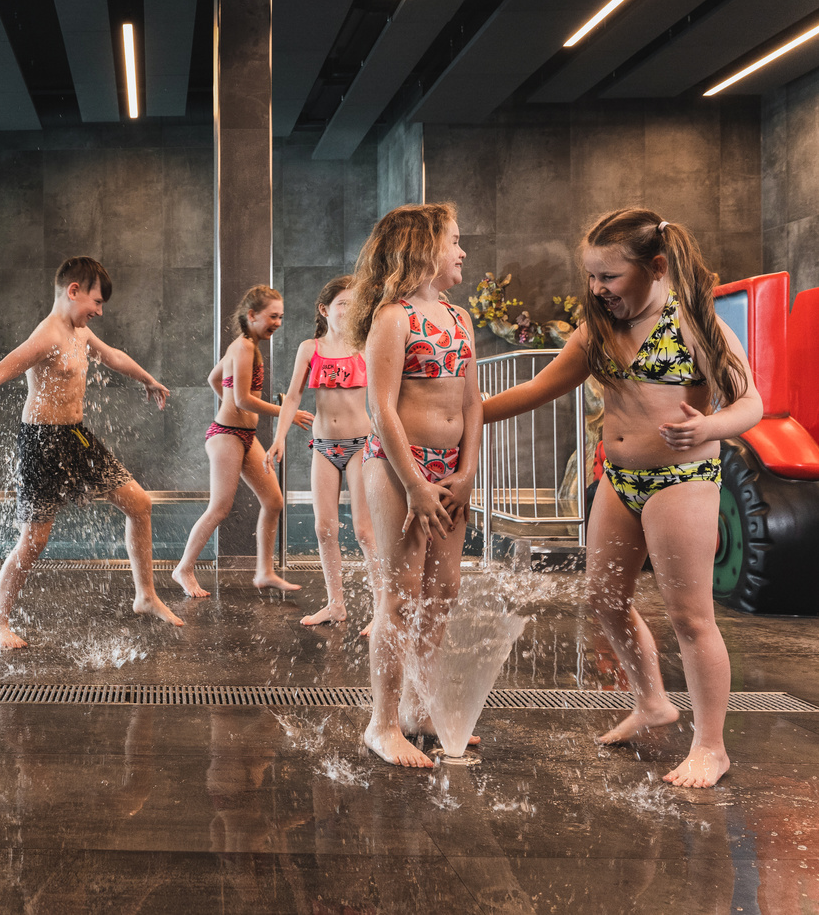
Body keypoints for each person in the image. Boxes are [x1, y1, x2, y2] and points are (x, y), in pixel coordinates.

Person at [483, 209, 759, 788]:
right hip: (619, 479)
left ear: (655, 267)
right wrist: (457, 419)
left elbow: (748, 403)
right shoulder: (600, 329)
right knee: (604, 598)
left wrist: (708, 428)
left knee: (690, 617)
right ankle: (653, 701)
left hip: (680, 480)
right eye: (590, 276)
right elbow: (537, 387)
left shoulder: (692, 325)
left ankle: (712, 746)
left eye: (608, 276)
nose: (596, 289)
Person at [0, 256, 183, 649]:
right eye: (96, 302)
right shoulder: (49, 335)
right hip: (41, 442)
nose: (99, 312)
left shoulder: (80, 333)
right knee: (34, 540)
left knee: (139, 503)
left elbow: (113, 355)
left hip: (76, 436)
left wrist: (148, 379)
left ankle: (146, 595)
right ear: (73, 291)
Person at [352, 203, 481, 769]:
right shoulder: (393, 317)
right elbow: (380, 407)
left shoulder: (459, 317)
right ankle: (381, 724)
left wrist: (468, 471)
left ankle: (418, 707)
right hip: (397, 467)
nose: (462, 252)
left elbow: (473, 402)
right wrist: (415, 483)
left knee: (443, 592)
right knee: (399, 598)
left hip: (450, 469)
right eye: (454, 241)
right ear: (424, 249)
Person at [171, 285, 304, 599]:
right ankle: (184, 568)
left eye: (281, 317)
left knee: (273, 501)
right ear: (252, 315)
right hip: (226, 436)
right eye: (273, 316)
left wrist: (228, 404)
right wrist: (288, 411)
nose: (278, 323)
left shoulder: (248, 346)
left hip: (243, 436)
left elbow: (214, 379)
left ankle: (264, 572)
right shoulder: (243, 347)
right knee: (220, 508)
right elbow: (243, 400)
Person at [268, 276, 378, 626]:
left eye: (354, 303)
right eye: (342, 303)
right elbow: (294, 397)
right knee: (324, 528)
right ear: (324, 309)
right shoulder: (310, 348)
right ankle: (335, 604)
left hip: (362, 444)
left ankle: (383, 611)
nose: (349, 310)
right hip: (323, 447)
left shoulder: (366, 347)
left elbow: (384, 398)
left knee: (364, 531)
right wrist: (279, 437)